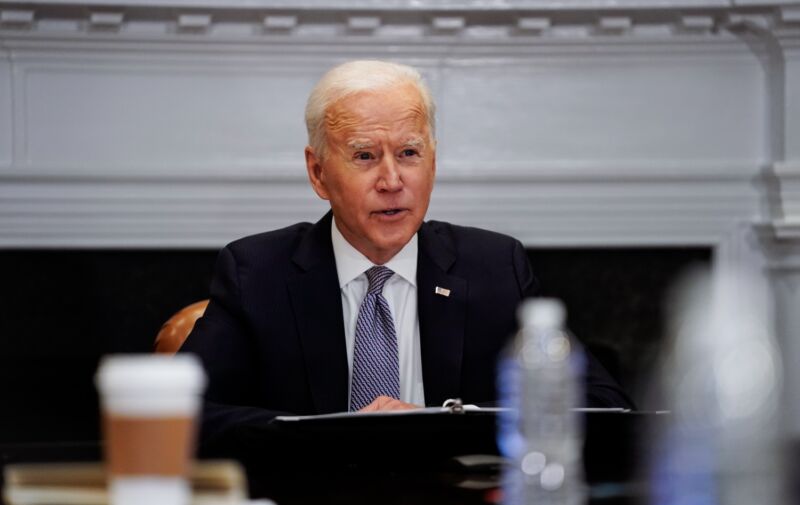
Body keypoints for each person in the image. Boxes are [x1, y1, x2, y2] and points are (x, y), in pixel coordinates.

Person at [181, 60, 632, 454]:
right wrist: (329, 435)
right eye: (364, 156)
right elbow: (183, 416)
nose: (392, 180)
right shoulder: (257, 272)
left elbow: (605, 407)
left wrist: (449, 424)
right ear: (318, 173)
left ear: (432, 163)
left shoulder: (494, 267)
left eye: (409, 153)